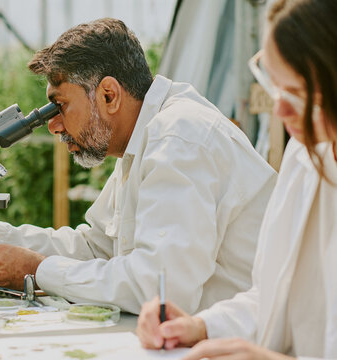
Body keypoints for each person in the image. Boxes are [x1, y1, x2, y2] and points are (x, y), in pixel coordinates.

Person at [0, 18, 276, 315]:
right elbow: (96, 248)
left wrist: (37, 269)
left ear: (109, 95)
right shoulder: (145, 140)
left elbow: (160, 289)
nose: (53, 126)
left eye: (60, 106)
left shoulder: (179, 138)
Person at [136, 0, 337, 357]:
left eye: (299, 94)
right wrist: (201, 326)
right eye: (272, 84)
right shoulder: (305, 153)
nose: (279, 109)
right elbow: (274, 295)